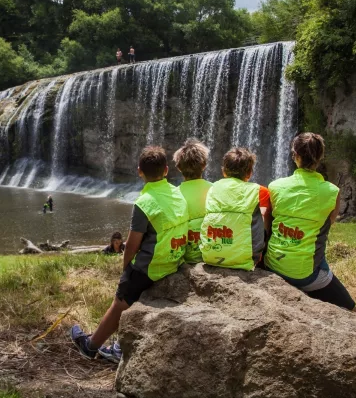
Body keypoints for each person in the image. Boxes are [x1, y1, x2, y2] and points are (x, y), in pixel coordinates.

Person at [70, 146, 188, 363]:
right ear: (166, 170)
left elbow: (132, 244)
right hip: (174, 259)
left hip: (151, 267)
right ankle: (118, 345)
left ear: (139, 171)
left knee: (120, 302)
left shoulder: (144, 202)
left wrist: (126, 268)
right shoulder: (177, 192)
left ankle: (90, 346)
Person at [265, 133, 355, 310]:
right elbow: (327, 225)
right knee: (351, 309)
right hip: (307, 275)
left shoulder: (275, 186)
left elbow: (268, 225)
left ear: (295, 156)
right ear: (320, 157)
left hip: (273, 265)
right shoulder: (332, 192)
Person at [200, 148, 264, 270]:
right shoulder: (256, 190)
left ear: (223, 172)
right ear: (249, 173)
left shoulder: (212, 188)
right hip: (244, 260)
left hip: (210, 256)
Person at [173, 139, 212, 264]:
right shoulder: (215, 190)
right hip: (210, 253)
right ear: (204, 165)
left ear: (179, 167)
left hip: (182, 255)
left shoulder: (173, 194)